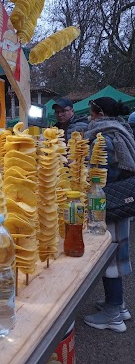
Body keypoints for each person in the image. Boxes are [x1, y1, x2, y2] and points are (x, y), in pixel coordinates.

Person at [83, 97, 135, 333]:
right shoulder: (121, 130)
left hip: (108, 205)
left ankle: (113, 314)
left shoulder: (104, 137)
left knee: (110, 258)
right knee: (119, 254)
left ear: (99, 115)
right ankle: (119, 304)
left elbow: (101, 175)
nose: (89, 117)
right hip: (122, 203)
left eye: (91, 113)